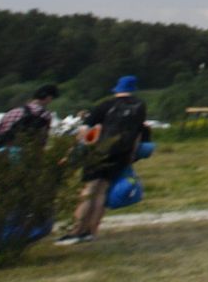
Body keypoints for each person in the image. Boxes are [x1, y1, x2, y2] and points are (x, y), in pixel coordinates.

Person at [55, 76, 147, 245]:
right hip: (122, 154)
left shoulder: (106, 105)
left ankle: (76, 232)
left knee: (88, 191)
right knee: (102, 191)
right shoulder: (140, 106)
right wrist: (131, 155)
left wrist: (76, 151)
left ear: (117, 90)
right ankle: (91, 231)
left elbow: (84, 130)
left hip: (100, 152)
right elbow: (138, 133)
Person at [0, 84, 59, 149]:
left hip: (2, 153)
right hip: (24, 153)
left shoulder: (11, 112)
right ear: (48, 97)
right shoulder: (45, 116)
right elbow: (42, 140)